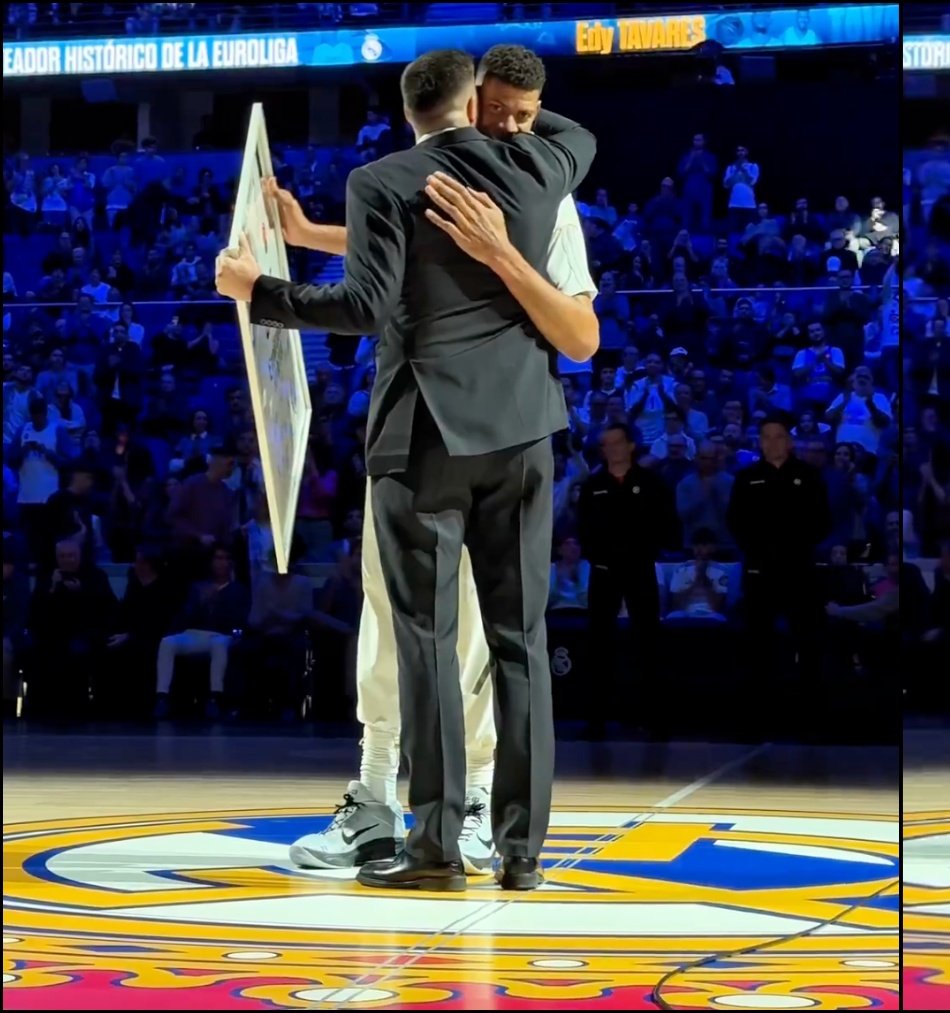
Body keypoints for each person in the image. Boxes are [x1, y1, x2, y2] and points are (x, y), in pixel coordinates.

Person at [216, 48, 596, 892]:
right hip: (522, 435)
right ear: (482, 103)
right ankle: (522, 852)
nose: (515, 125)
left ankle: (433, 844)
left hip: (424, 438)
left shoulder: (386, 175)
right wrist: (311, 233)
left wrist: (259, 288)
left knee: (426, 646)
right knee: (518, 646)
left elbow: (366, 303)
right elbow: (563, 137)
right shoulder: (543, 168)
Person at [725, 414, 832, 734]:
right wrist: (757, 549)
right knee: (758, 645)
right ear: (759, 442)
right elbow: (736, 521)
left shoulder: (808, 475)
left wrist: (796, 546)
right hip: (760, 572)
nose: (772, 443)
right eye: (766, 437)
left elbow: (822, 520)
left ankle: (812, 719)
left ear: (789, 440)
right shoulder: (747, 478)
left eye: (778, 436)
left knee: (808, 643)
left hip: (800, 571)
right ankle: (757, 719)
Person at [576, 422, 680, 734]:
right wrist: (599, 556)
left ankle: (652, 716)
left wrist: (646, 550)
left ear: (631, 445)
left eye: (617, 442)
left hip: (640, 569)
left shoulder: (651, 482)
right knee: (599, 644)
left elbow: (667, 524)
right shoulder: (593, 486)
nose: (612, 448)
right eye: (606, 444)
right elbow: (583, 529)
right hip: (604, 573)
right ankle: (597, 719)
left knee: (648, 642)